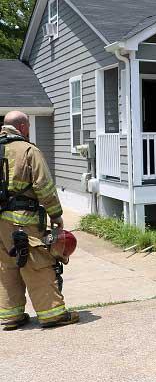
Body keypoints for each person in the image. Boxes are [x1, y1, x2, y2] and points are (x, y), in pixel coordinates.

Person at [0, 111, 78, 329]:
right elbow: (44, 187)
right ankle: (52, 314)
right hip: (22, 222)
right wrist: (56, 215)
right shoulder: (28, 150)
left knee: (7, 268)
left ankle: (10, 316)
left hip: (0, 225)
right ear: (23, 127)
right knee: (37, 264)